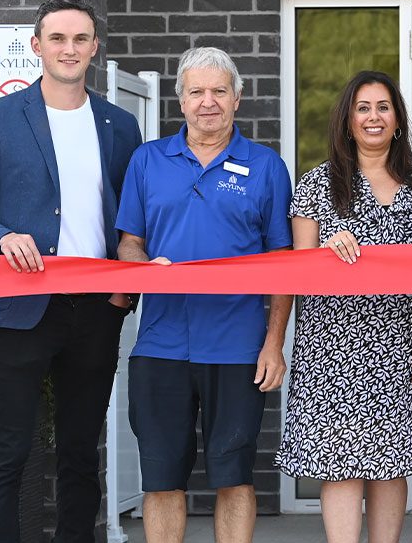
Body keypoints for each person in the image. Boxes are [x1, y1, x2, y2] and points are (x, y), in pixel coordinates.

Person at [0, 0, 142, 543]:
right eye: (57, 38)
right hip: (16, 306)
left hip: (96, 311)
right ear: (37, 46)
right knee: (8, 449)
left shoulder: (119, 125)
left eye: (80, 38)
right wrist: (1, 236)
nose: (69, 48)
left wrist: (127, 289)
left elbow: (133, 217)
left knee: (82, 451)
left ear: (95, 48)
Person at [114, 46, 293, 543]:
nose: (207, 102)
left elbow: (283, 265)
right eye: (197, 91)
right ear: (181, 101)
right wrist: (144, 269)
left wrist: (274, 343)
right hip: (160, 345)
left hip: (238, 348)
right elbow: (129, 244)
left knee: (234, 477)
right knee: (161, 479)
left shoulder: (266, 168)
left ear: (238, 98)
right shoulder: (147, 161)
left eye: (219, 91)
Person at [278, 70, 412, 543]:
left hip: (407, 345)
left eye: (383, 107)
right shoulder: (317, 184)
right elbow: (298, 271)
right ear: (347, 120)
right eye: (363, 108)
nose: (374, 117)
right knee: (339, 465)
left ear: (398, 119)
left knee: (391, 462)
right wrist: (325, 251)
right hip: (333, 350)